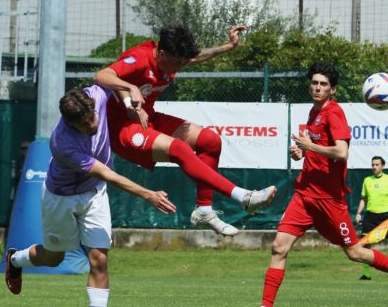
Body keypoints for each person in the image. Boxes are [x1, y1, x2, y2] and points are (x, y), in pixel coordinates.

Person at [235, 62, 388, 307]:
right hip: (304, 195)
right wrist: (302, 154)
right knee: (279, 247)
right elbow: (316, 151)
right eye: (314, 82)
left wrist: (309, 146)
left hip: (329, 201)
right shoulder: (313, 112)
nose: (317, 87)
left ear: (332, 89)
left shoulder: (334, 113)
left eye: (323, 84)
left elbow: (341, 152)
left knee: (355, 252)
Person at [4, 85, 177, 307]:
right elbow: (107, 173)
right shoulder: (63, 143)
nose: (93, 124)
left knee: (99, 260)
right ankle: (16, 259)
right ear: (70, 124)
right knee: (54, 256)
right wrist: (148, 194)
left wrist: (130, 92)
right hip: (61, 198)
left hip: (94, 194)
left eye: (93, 117)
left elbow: (109, 76)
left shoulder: (94, 96)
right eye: (84, 124)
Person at [94, 24, 276, 237]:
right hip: (123, 129)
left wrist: (229, 46)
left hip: (148, 118)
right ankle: (243, 197)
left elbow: (196, 57)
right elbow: (101, 75)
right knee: (180, 149)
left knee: (211, 141)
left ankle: (204, 210)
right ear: (161, 53)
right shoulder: (140, 58)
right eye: (177, 63)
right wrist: (130, 88)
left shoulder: (171, 58)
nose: (180, 67)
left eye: (183, 62)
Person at [355, 156, 388, 280]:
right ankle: (367, 274)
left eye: (377, 164)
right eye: (373, 164)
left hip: (386, 217)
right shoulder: (367, 180)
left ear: (383, 166)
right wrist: (358, 213)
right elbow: (364, 199)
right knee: (365, 246)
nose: (374, 167)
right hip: (370, 217)